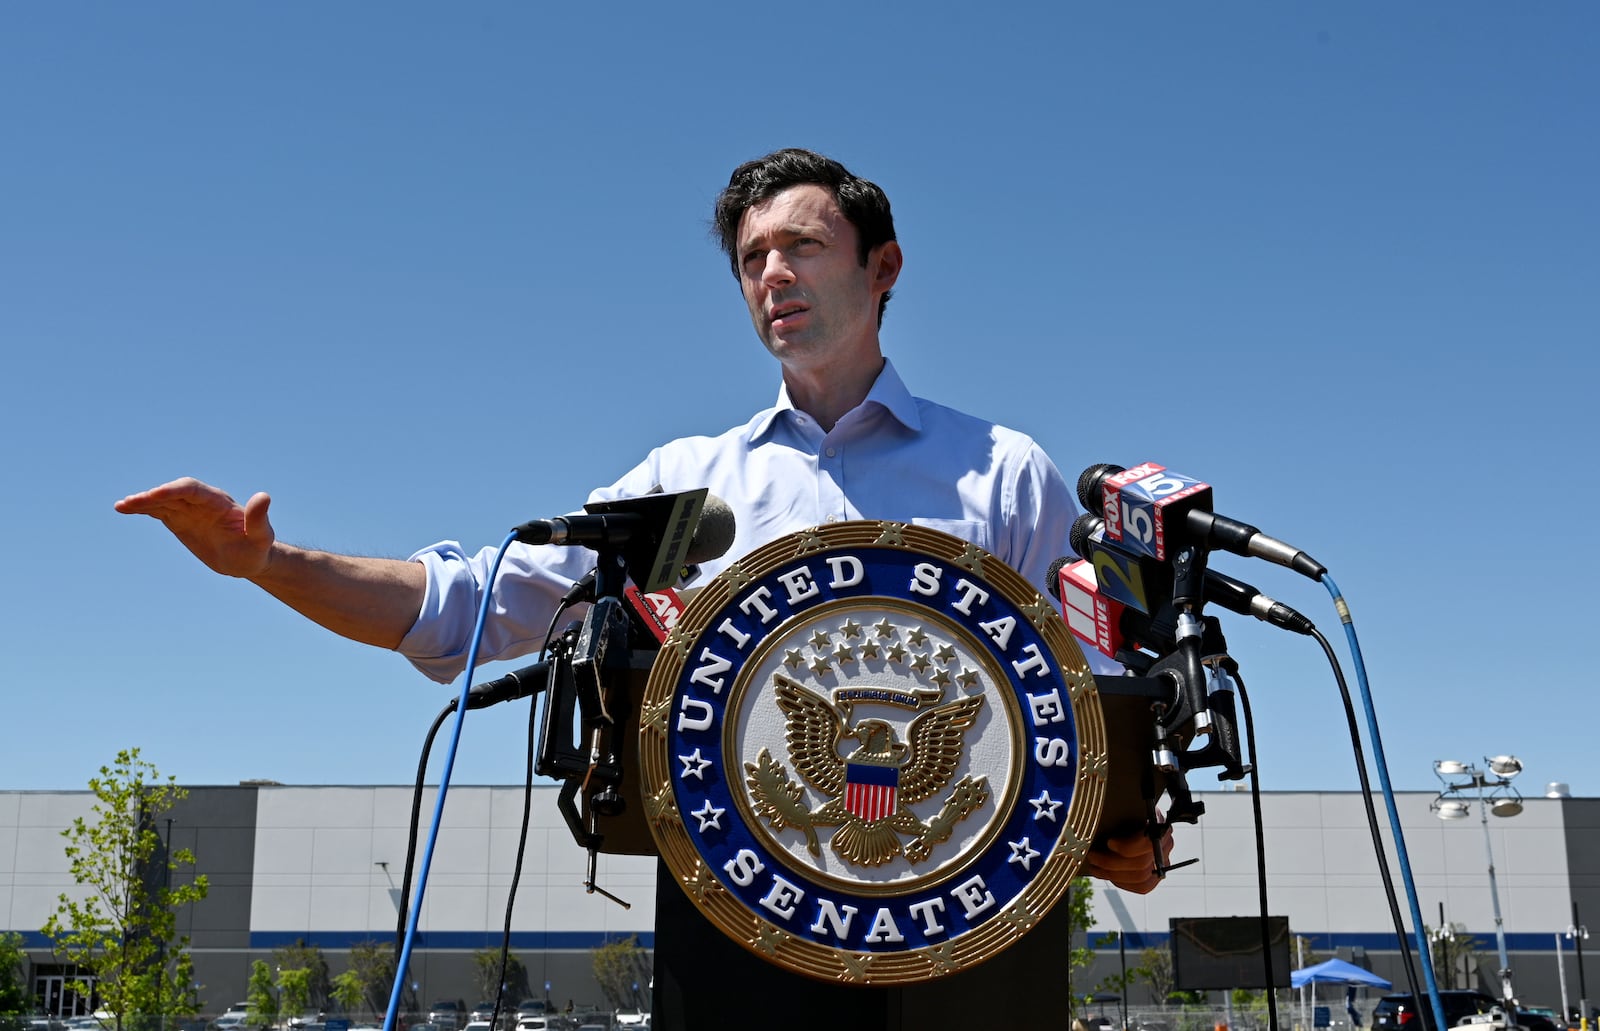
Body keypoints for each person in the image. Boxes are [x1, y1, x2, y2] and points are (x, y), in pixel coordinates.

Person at [115, 147, 1170, 890]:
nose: (771, 274)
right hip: (741, 931)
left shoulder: (997, 476)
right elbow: (468, 607)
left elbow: (1099, 690)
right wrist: (265, 561)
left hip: (965, 925)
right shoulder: (691, 498)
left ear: (881, 267)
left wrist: (1125, 829)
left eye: (801, 245)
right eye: (750, 258)